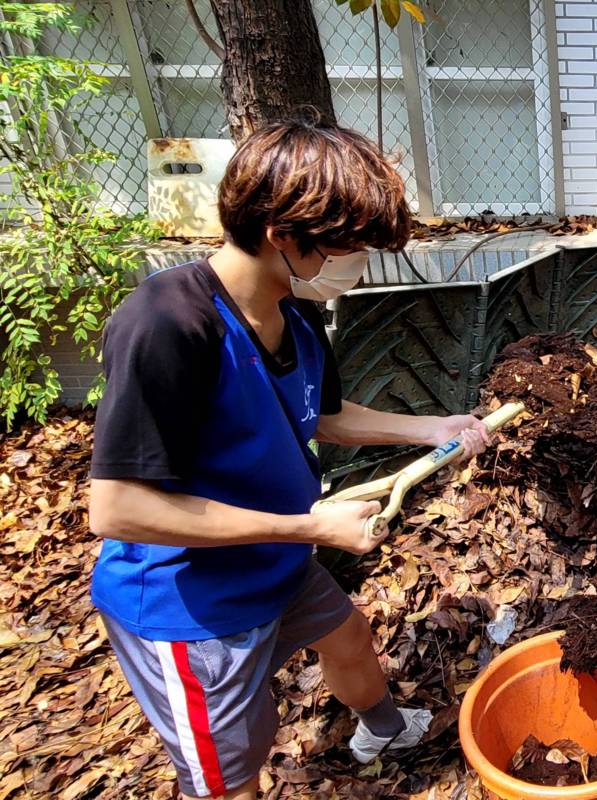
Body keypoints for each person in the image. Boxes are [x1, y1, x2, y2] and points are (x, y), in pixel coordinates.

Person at [88, 120, 491, 800]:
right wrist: (311, 528)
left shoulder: (296, 311)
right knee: (230, 777)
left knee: (350, 638)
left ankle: (382, 729)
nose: (358, 260)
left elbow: (324, 416)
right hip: (190, 603)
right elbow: (119, 509)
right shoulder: (166, 323)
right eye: (350, 245)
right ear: (283, 235)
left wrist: (433, 428)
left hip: (275, 555)